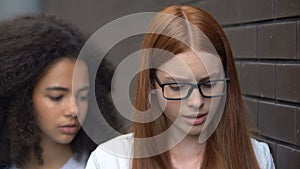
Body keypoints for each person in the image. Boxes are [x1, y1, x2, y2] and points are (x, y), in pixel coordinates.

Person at [86, 5, 275, 169]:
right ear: (152, 84)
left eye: (209, 84)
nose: (196, 102)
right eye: (176, 87)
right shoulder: (110, 162)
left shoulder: (256, 157)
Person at [0, 14, 99, 169]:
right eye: (57, 97)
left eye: (83, 96)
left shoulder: (106, 163)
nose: (74, 110)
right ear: (21, 98)